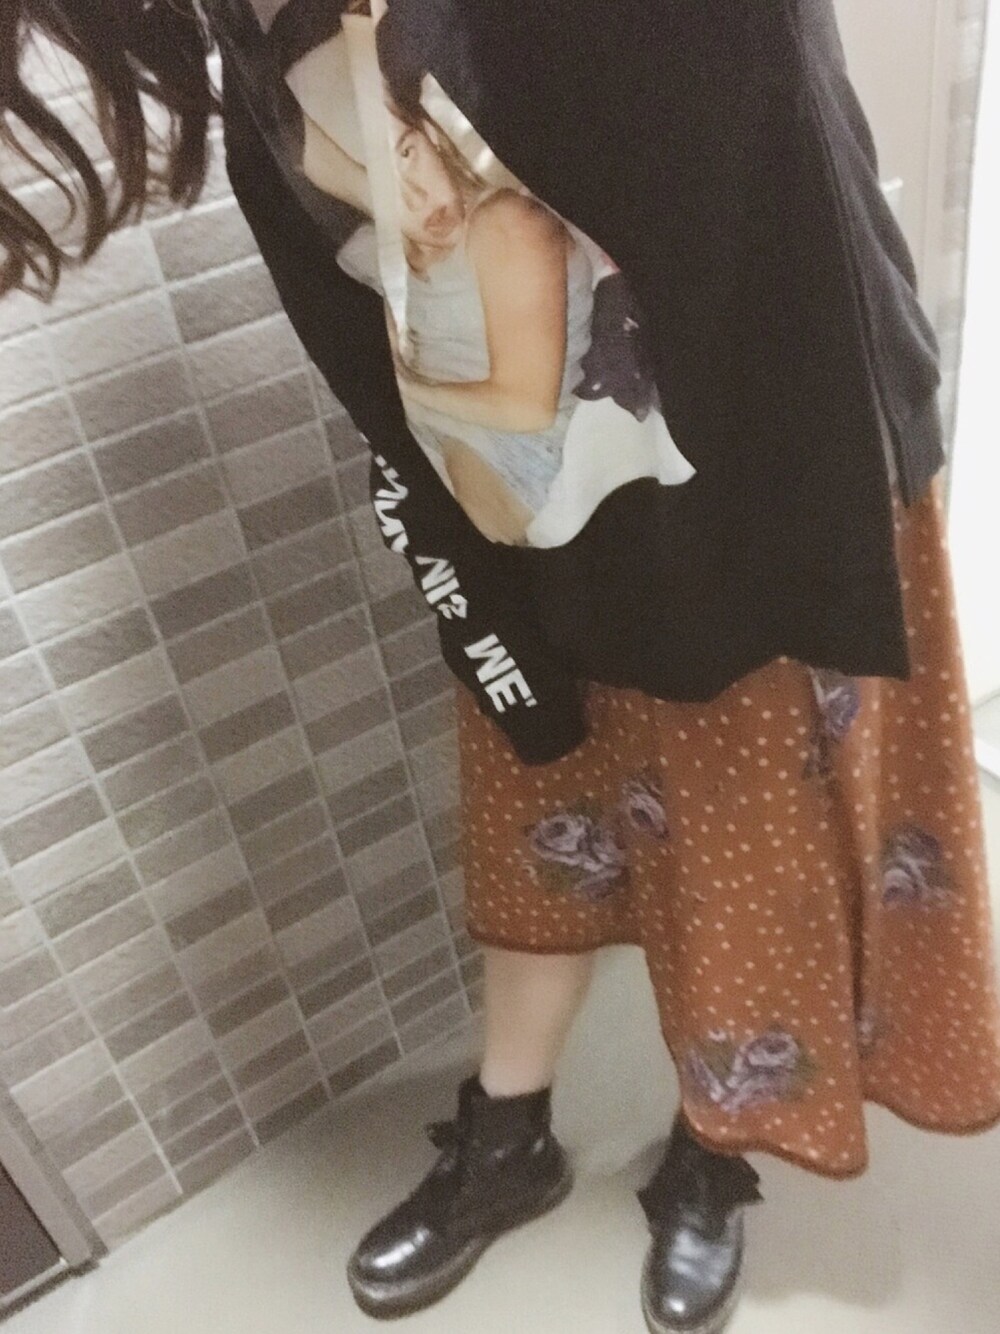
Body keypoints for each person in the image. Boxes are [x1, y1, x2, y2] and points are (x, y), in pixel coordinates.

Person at [4, 5, 1000, 1334]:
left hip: (759, 423)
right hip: (525, 487)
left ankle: (718, 1138)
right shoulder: (255, 31)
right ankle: (510, 1131)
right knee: (544, 805)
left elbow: (738, 131)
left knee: (741, 824)